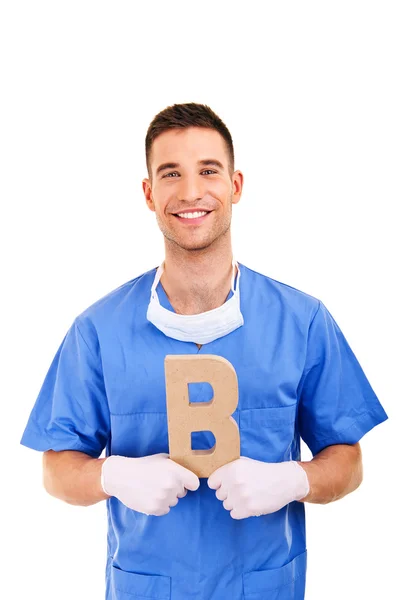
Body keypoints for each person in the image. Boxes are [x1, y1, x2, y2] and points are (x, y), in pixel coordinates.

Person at [20, 102, 388, 600]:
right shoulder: (98, 331)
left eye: (208, 171)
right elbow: (57, 470)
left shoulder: (302, 322)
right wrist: (111, 474)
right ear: (149, 195)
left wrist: (294, 480)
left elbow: (348, 460)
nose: (191, 191)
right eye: (171, 173)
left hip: (265, 586)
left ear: (235, 186)